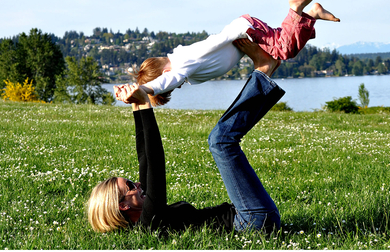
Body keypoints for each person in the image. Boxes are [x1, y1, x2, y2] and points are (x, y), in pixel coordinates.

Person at [88, 41, 286, 232]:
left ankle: (264, 71)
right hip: (252, 221)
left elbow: (145, 159)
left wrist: (136, 104)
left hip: (250, 216)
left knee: (221, 140)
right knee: (220, 141)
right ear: (122, 206)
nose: (138, 183)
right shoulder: (149, 223)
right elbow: (156, 163)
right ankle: (263, 70)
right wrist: (146, 105)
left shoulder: (145, 210)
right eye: (130, 186)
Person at [127, 0, 339, 106]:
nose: (178, 85)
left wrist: (146, 89)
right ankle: (311, 15)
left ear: (165, 74)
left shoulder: (182, 66)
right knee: (284, 48)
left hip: (244, 30)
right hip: (243, 29)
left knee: (284, 50)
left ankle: (296, 8)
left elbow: (168, 80)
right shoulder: (183, 58)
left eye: (173, 88)